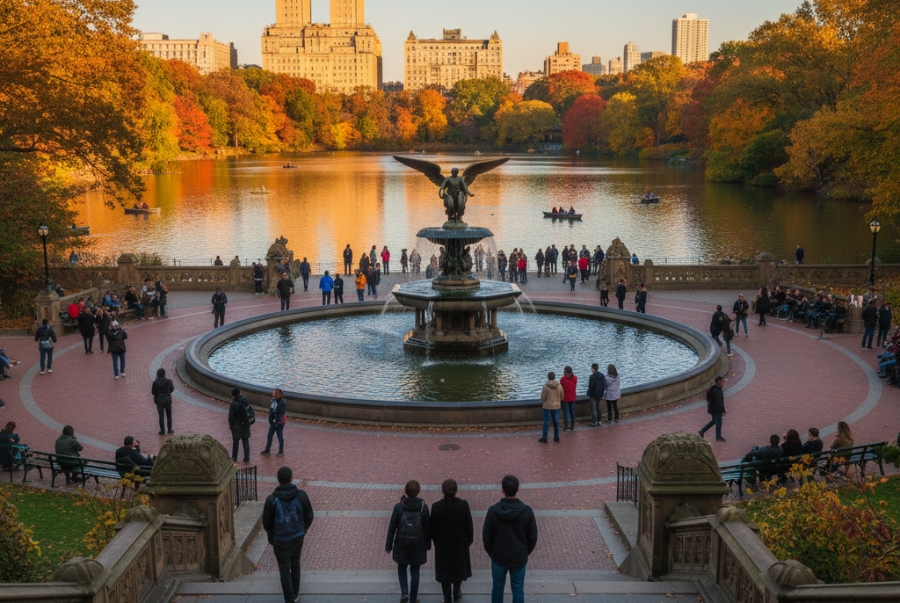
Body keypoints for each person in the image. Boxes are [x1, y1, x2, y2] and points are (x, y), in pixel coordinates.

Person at [263, 466, 315, 603]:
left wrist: (272, 533)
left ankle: (289, 599)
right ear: (291, 478)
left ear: (278, 479)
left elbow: (266, 523)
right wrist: (303, 529)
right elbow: (309, 515)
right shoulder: (301, 495)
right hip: (297, 535)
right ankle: (295, 593)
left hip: (280, 539)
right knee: (295, 563)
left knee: (284, 568)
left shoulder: (272, 499)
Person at [483, 475, 537, 603]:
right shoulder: (527, 511)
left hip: (498, 556)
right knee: (518, 589)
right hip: (519, 556)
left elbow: (486, 536)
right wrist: (525, 551)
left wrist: (492, 552)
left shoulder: (493, 511)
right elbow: (533, 536)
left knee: (497, 587)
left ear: (502, 490)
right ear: (517, 489)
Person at [386, 480, 430, 603]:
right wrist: (428, 544)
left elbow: (392, 528)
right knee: (415, 570)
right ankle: (413, 597)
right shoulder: (423, 508)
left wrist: (389, 545)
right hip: (418, 545)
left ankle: (404, 593)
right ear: (418, 492)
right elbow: (427, 528)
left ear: (405, 491)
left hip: (401, 544)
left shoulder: (399, 507)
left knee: (401, 567)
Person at [429, 478, 473, 603]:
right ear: (456, 490)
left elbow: (433, 529)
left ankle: (447, 598)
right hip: (460, 545)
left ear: (443, 491)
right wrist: (469, 540)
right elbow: (469, 525)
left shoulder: (436, 507)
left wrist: (435, 541)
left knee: (445, 573)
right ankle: (457, 590)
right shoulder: (463, 505)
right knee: (458, 569)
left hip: (443, 546)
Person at [228, 388, 253, 463]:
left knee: (236, 441)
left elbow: (231, 416)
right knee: (245, 440)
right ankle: (247, 457)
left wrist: (231, 425)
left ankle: (234, 457)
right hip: (245, 424)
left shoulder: (233, 404)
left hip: (237, 425)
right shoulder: (245, 400)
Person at [698, 376, 726, 441]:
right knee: (719, 422)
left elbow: (708, 399)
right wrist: (723, 411)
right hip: (717, 410)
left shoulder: (712, 389)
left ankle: (702, 431)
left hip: (712, 409)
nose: (723, 383)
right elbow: (720, 402)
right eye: (722, 381)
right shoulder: (718, 391)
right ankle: (718, 436)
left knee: (714, 421)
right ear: (719, 382)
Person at [261, 388, 287, 457]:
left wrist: (276, 420)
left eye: (277, 394)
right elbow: (271, 410)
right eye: (275, 393)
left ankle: (281, 451)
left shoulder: (282, 403)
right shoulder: (273, 400)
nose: (275, 395)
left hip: (279, 422)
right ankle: (267, 450)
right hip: (273, 421)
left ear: (281, 394)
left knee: (280, 436)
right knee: (269, 435)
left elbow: (280, 412)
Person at [538, 372, 562, 443]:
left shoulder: (545, 386)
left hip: (547, 406)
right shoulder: (559, 386)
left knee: (546, 422)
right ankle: (556, 437)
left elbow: (543, 397)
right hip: (556, 406)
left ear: (548, 377)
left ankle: (545, 437)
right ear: (554, 377)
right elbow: (561, 396)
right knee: (556, 422)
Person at [151, 368, 175, 435]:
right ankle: (169, 429)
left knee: (161, 416)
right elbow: (172, 389)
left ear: (157, 374)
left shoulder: (155, 383)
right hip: (167, 401)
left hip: (159, 401)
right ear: (164, 374)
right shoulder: (169, 381)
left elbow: (153, 392)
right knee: (169, 415)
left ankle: (162, 431)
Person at [559, 366, 577, 432]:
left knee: (566, 412)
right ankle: (572, 425)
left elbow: (560, 388)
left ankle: (566, 425)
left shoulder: (563, 379)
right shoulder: (575, 378)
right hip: (572, 397)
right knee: (572, 411)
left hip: (565, 398)